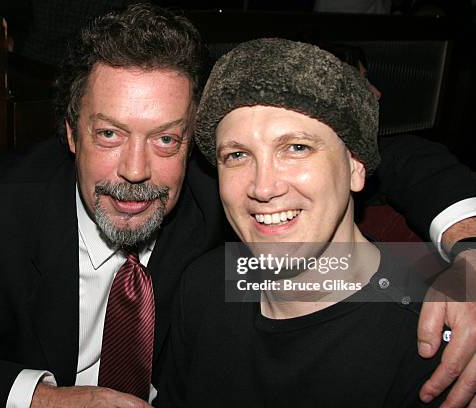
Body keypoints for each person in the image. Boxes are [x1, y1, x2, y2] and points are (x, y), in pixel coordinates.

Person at [0, 4, 476, 408]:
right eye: (109, 134)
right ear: (71, 134)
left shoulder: (241, 195)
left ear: (195, 147)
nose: (136, 171)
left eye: (166, 138)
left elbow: (391, 165)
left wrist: (468, 253)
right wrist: (40, 399)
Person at [156, 37, 475, 407]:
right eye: (238, 155)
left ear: (356, 167)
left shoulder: (433, 336)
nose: (263, 187)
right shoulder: (205, 286)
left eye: (296, 148)